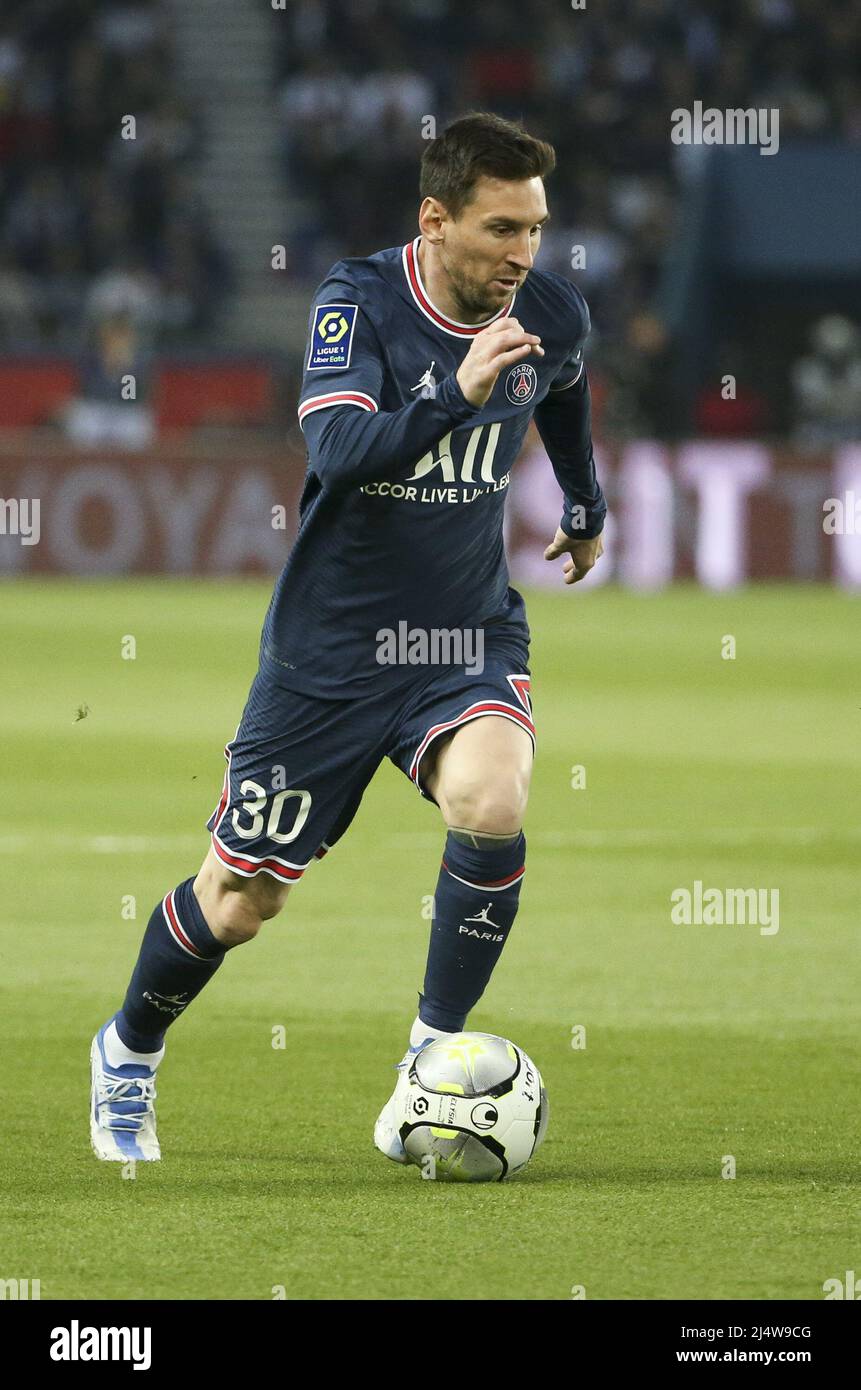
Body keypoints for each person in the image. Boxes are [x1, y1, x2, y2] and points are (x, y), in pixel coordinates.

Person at [90, 111, 606, 1165]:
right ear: (435, 219)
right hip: (328, 653)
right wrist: (449, 392)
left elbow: (563, 379)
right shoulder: (358, 303)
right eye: (503, 227)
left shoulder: (546, 306)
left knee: (493, 797)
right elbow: (340, 446)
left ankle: (428, 1061)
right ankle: (129, 1049)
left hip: (462, 632)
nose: (524, 253)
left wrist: (585, 499)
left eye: (536, 229)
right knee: (239, 900)